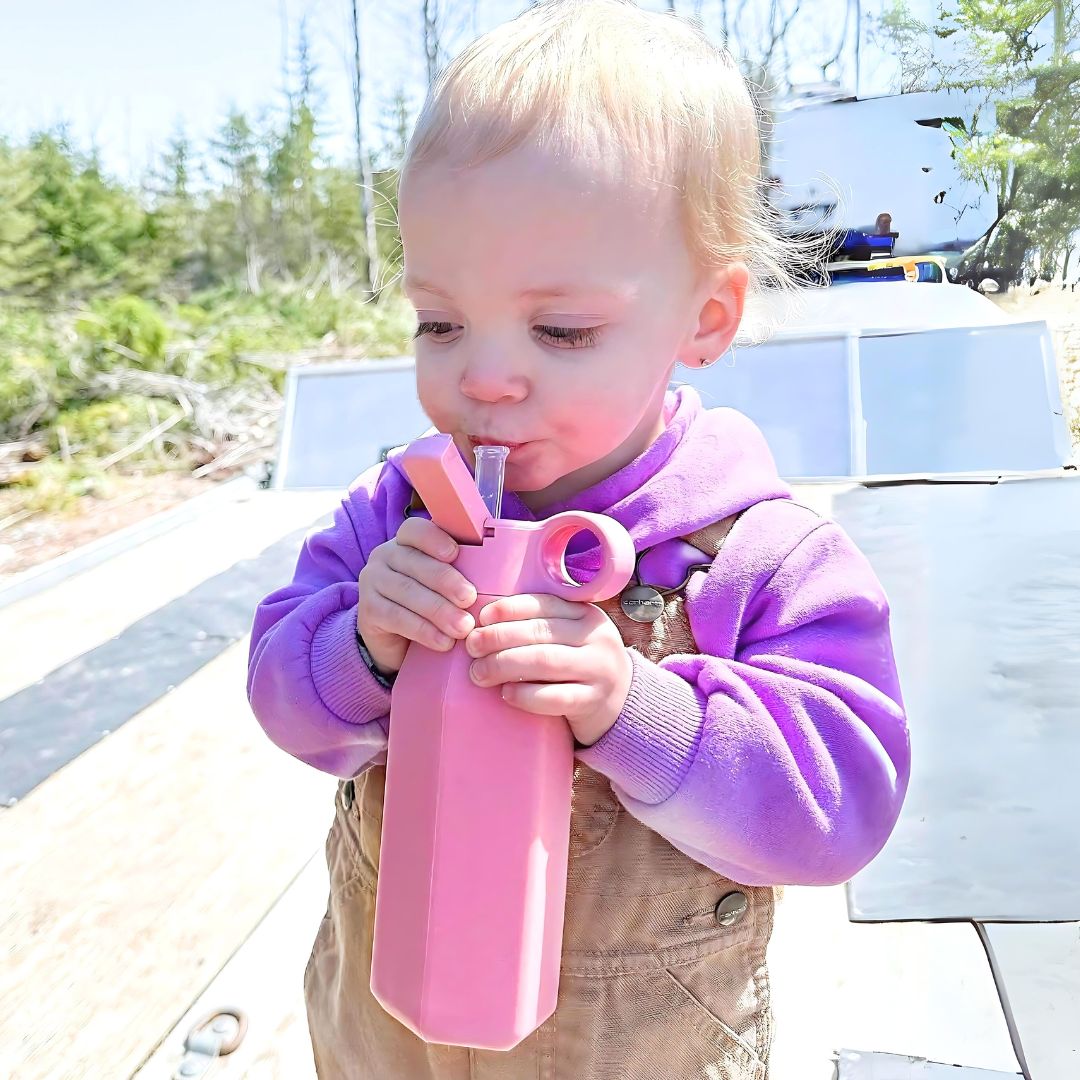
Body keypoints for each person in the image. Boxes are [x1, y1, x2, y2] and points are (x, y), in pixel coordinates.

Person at [246, 2, 910, 1077]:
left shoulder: (756, 559)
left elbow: (841, 813)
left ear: (705, 318)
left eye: (560, 331)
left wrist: (631, 706)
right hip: (387, 1032)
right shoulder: (394, 515)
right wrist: (361, 645)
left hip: (633, 1046)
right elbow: (283, 699)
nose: (484, 377)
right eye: (440, 322)